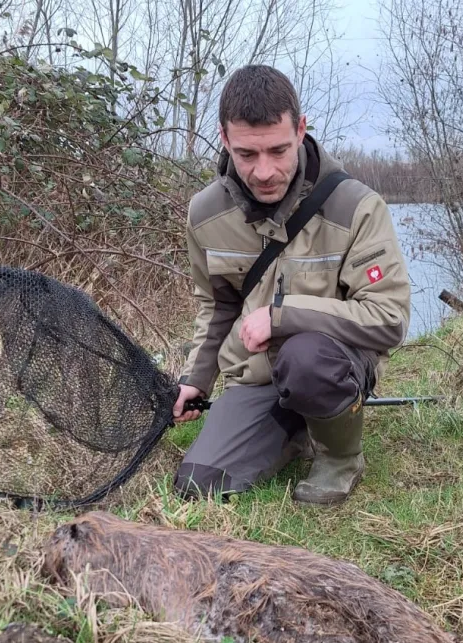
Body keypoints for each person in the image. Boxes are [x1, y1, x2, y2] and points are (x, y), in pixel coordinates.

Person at [173, 64, 411, 505]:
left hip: (328, 365)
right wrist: (197, 379)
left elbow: (388, 320)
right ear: (224, 139)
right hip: (256, 378)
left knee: (305, 359)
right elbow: (217, 306)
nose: (264, 171)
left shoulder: (357, 206)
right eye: (247, 154)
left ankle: (341, 456)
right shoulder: (205, 214)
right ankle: (294, 430)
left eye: (278, 150)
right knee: (198, 484)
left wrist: (281, 318)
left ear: (301, 130)